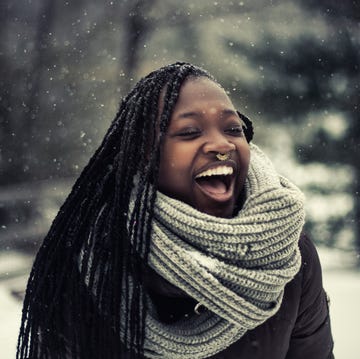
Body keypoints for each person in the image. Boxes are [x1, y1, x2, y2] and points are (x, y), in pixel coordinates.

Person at [17, 62, 334, 359]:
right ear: (142, 156)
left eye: (234, 129)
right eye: (189, 132)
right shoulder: (91, 258)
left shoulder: (288, 255)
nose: (221, 144)